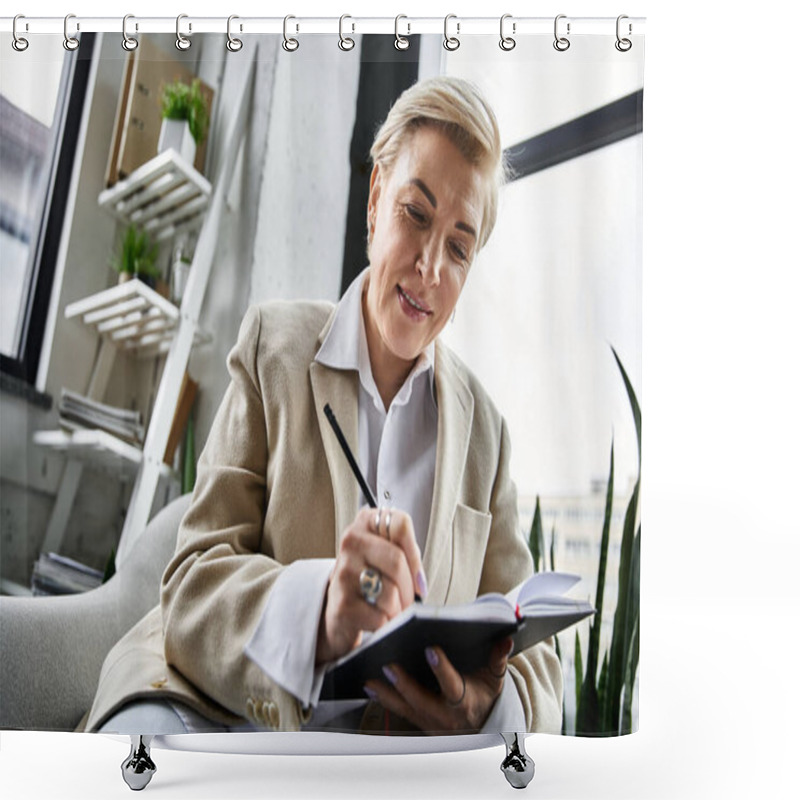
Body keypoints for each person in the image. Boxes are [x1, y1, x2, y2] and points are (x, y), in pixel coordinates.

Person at [85, 75, 563, 736]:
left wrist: (486, 706)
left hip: (386, 764)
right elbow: (191, 583)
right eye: (415, 214)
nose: (429, 268)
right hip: (222, 716)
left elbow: (541, 660)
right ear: (375, 200)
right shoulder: (270, 348)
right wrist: (319, 612)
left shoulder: (488, 434)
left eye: (458, 247)